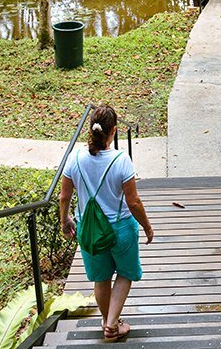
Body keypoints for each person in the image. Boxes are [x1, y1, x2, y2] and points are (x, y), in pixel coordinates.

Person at [59, 105, 153, 342]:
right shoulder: (121, 160)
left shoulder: (75, 159)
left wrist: (65, 220)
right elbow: (133, 202)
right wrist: (147, 226)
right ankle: (111, 324)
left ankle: (108, 321)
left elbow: (64, 196)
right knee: (124, 273)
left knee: (101, 278)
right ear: (114, 130)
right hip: (120, 228)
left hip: (89, 230)